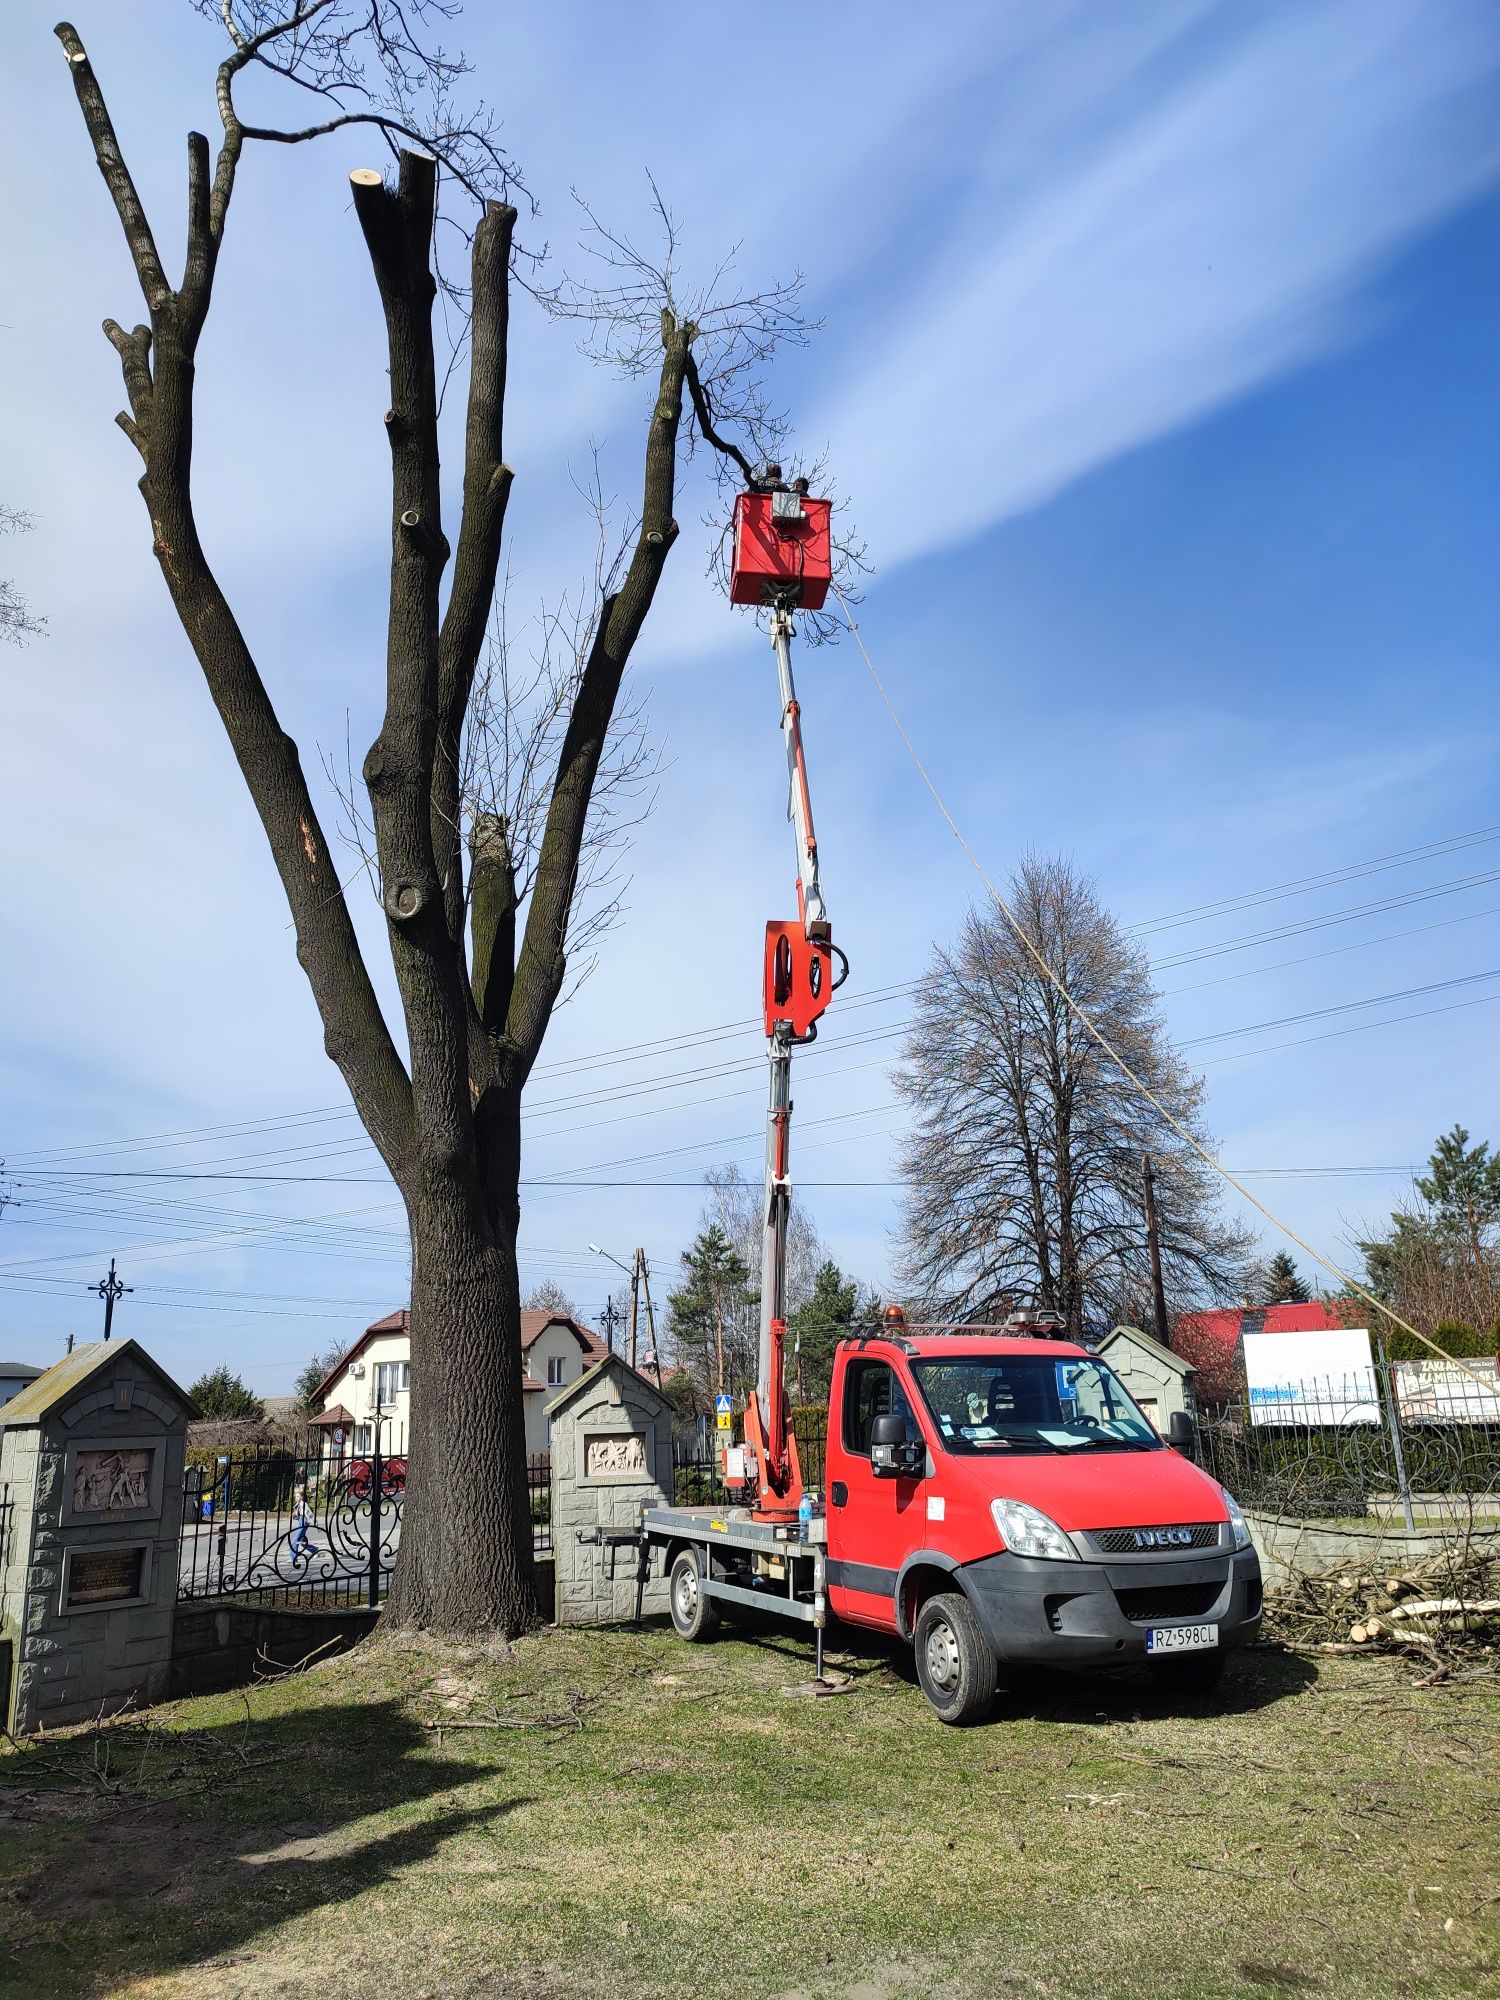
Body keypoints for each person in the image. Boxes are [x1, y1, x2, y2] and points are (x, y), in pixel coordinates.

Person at [289, 1483, 313, 1567]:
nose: (296, 1498)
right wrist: (294, 1515)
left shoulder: (304, 1505)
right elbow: (297, 1516)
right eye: (295, 1496)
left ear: (302, 1497)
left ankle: (293, 1557)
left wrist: (298, 1513)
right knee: (302, 1542)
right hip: (301, 1524)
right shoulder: (297, 1505)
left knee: (295, 1541)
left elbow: (309, 1515)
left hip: (304, 1524)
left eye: (298, 1496)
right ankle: (314, 1550)